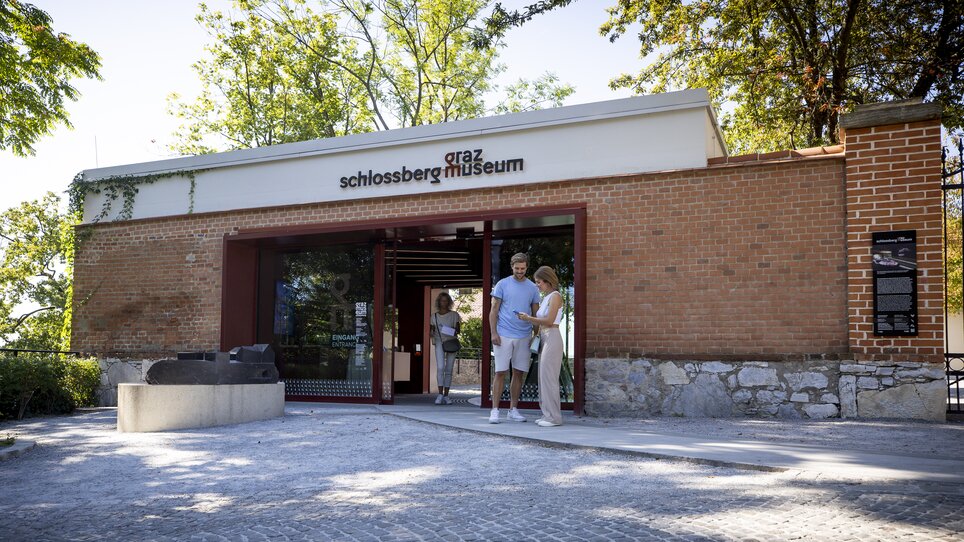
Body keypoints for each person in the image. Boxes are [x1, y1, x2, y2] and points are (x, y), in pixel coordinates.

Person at [489, 253, 541, 423]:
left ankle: (513, 409)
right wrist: (493, 333)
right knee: (500, 372)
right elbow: (494, 310)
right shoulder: (502, 284)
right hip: (503, 334)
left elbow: (535, 313)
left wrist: (536, 335)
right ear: (512, 266)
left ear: (527, 267)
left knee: (518, 373)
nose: (520, 271)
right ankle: (495, 410)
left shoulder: (533, 288)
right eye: (517, 268)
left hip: (524, 335)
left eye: (523, 268)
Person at [518, 266, 565, 427]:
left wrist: (528, 318)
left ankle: (554, 417)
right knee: (543, 377)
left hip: (552, 336)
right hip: (544, 336)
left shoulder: (555, 296)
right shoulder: (546, 297)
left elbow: (550, 321)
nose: (537, 285)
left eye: (539, 282)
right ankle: (547, 414)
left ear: (547, 281)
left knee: (549, 377)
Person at [430, 292, 461, 405]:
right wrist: (431, 333)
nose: (444, 303)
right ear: (439, 302)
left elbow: (458, 330)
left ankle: (447, 395)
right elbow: (431, 330)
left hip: (451, 342)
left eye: (446, 300)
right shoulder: (434, 316)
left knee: (449, 369)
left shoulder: (454, 315)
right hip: (439, 342)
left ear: (449, 302)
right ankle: (439, 394)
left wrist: (448, 329)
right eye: (442, 300)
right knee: (440, 367)